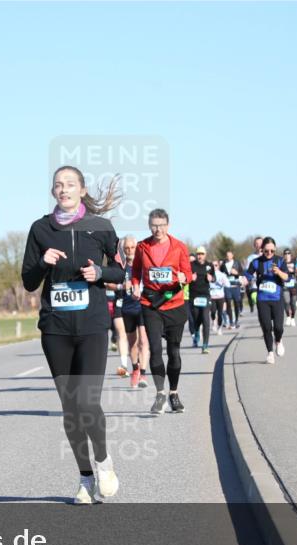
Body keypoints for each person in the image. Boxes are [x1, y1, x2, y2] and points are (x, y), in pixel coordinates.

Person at [21, 165, 125, 505]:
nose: (63, 189)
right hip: (56, 329)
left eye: (69, 184)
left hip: (93, 326)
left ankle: (105, 462)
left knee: (88, 402)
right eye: (57, 185)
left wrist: (100, 272)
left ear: (81, 190)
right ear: (53, 192)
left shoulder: (101, 227)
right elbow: (28, 281)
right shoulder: (40, 229)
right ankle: (85, 478)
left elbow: (120, 272)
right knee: (70, 407)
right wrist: (43, 263)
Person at [131, 209, 192, 415]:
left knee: (173, 351)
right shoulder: (142, 246)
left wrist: (184, 278)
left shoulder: (179, 247)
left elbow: (189, 274)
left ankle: (174, 393)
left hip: (173, 303)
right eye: (154, 225)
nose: (158, 229)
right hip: (151, 304)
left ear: (168, 225)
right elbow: (136, 271)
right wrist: (135, 285)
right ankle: (160, 395)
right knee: (155, 350)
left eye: (162, 225)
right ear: (149, 225)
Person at [246, 236, 289, 364]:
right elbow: (247, 274)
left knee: (278, 327)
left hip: (276, 298)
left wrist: (278, 272)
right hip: (262, 298)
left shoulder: (280, 261)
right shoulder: (256, 262)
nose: (269, 253)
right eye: (266, 251)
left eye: (272, 251)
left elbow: (287, 277)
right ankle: (270, 352)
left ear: (275, 249)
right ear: (262, 250)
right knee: (266, 327)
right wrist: (244, 280)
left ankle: (279, 341)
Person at [120, 235, 150, 389]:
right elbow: (109, 283)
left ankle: (143, 374)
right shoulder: (121, 267)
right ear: (123, 250)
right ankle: (136, 369)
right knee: (133, 343)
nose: (130, 250)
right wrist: (121, 286)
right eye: (127, 248)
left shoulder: (144, 265)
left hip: (143, 307)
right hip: (128, 309)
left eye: (132, 247)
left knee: (144, 341)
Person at [190, 246, 215, 354]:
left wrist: (211, 278)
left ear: (205, 255)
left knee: (206, 319)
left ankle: (205, 345)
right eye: (198, 254)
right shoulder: (191, 265)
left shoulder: (209, 266)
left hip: (205, 295)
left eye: (202, 254)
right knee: (196, 319)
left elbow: (214, 278)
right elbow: (186, 278)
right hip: (194, 296)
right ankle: (196, 331)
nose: (200, 256)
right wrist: (191, 278)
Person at [223, 250, 244, 328]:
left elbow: (242, 273)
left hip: (235, 286)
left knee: (236, 303)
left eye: (229, 255)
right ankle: (231, 321)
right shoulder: (223, 264)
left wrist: (237, 273)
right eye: (227, 255)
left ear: (232, 255)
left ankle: (236, 321)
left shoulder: (237, 263)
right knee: (228, 303)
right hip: (227, 286)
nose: (228, 256)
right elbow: (221, 273)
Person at [209, 259, 231, 335]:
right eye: (213, 265)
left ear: (218, 266)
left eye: (216, 265)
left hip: (220, 296)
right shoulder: (208, 274)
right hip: (212, 296)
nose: (214, 267)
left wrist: (223, 282)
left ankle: (219, 328)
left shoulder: (222, 274)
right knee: (213, 312)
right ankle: (214, 323)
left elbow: (228, 285)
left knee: (220, 313)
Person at [244, 236, 263, 313]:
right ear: (254, 246)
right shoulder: (251, 257)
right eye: (257, 244)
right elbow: (247, 271)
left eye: (260, 243)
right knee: (254, 297)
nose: (259, 245)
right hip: (254, 283)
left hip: (266, 283)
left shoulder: (268, 255)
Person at [282, 249, 297, 326]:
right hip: (285, 284)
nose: (287, 254)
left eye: (288, 253)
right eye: (286, 253)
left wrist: (293, 271)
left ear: (291, 254)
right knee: (286, 301)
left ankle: (293, 318)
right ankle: (288, 316)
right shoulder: (282, 262)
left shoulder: (295, 262)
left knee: (293, 303)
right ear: (284, 255)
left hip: (293, 284)